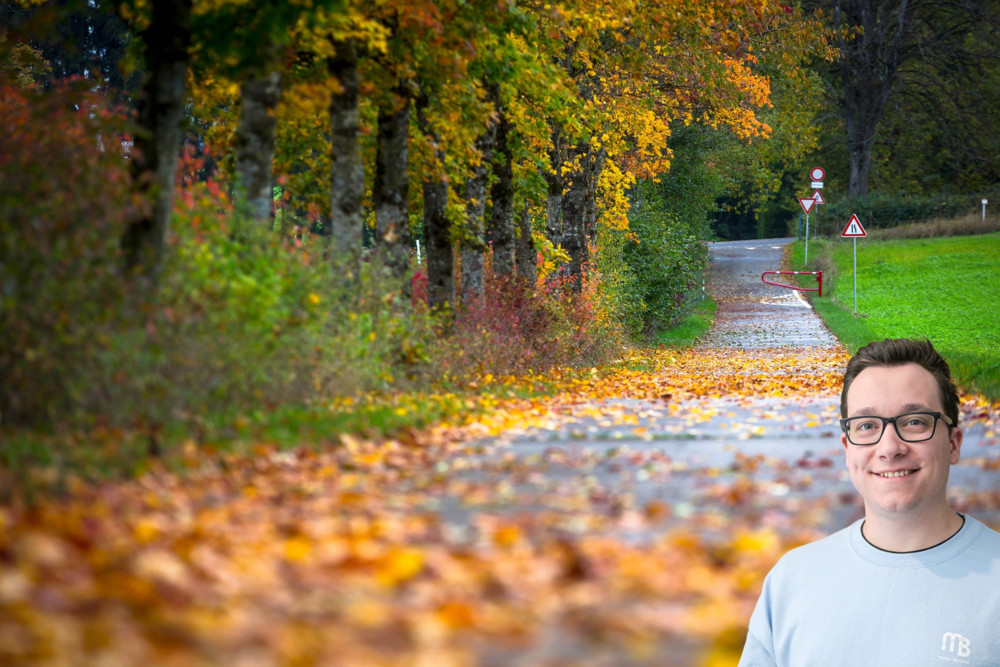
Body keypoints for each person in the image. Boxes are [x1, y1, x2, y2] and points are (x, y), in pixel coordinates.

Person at [738, 338, 1000, 666]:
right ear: (848, 449)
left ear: (953, 443)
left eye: (914, 421)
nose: (889, 447)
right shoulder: (792, 580)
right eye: (867, 425)